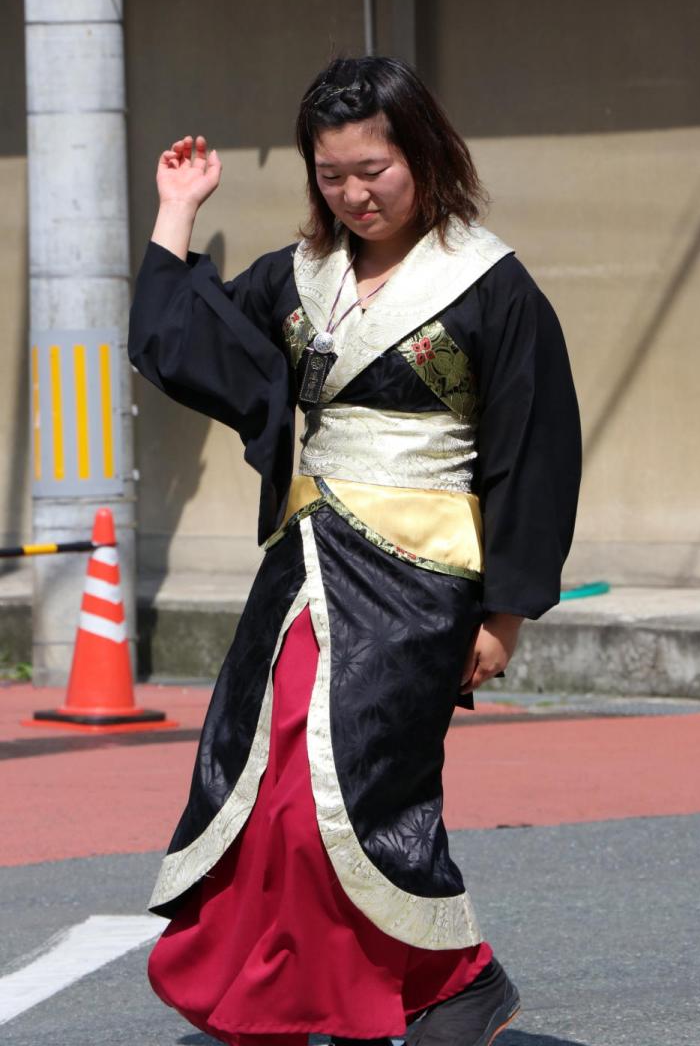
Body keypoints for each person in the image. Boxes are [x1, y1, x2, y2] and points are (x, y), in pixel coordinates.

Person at [129, 56, 581, 1046]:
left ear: (423, 155)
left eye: (372, 168)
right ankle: (289, 997)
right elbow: (180, 347)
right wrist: (177, 210)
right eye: (331, 173)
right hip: (304, 575)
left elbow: (533, 458)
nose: (354, 192)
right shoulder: (301, 278)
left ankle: (453, 981)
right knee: (262, 796)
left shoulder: (488, 286)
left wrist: (502, 619)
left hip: (419, 593)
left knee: (354, 796)